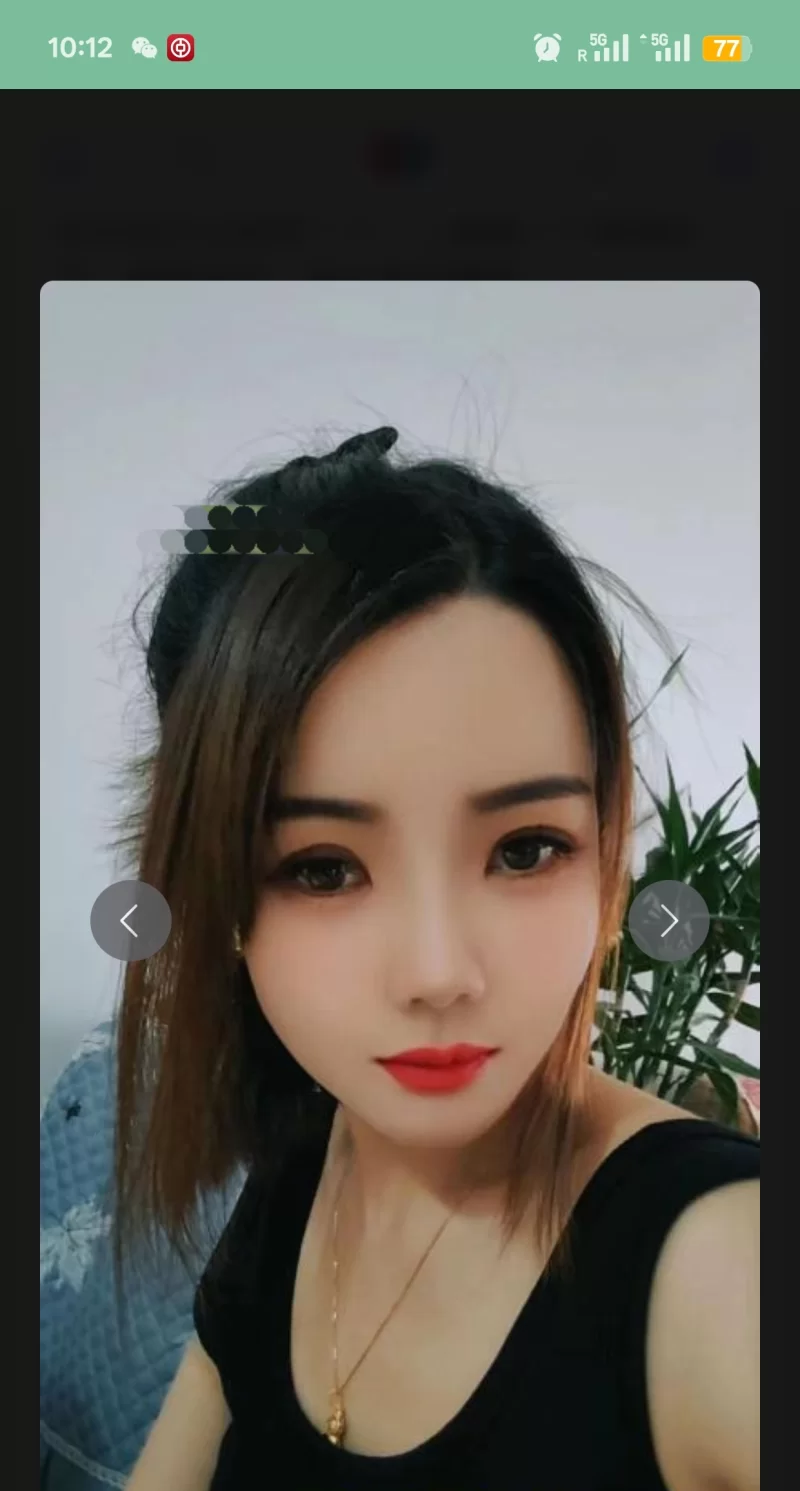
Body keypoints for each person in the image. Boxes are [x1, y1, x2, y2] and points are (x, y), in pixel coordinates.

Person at [115, 428, 759, 1491]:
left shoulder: (717, 1269)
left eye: (525, 849)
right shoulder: (308, 1153)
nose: (438, 971)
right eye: (322, 868)